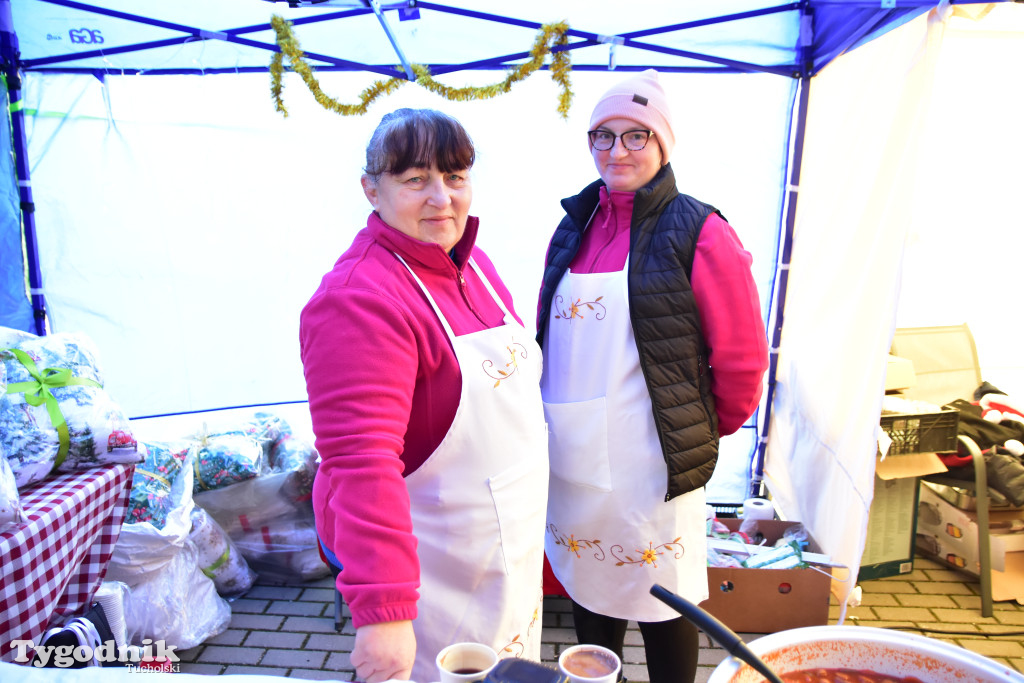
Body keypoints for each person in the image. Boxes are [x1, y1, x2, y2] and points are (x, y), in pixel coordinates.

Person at [300, 108, 548, 683]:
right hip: (435, 576)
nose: (442, 199)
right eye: (415, 180)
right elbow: (361, 463)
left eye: (456, 177)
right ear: (371, 189)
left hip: (503, 553)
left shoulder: (473, 264)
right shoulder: (358, 299)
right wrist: (384, 612)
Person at [536, 70, 769, 683]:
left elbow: (743, 361)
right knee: (592, 604)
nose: (617, 152)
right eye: (602, 137)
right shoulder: (573, 226)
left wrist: (690, 431)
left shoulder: (700, 230)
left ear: (664, 144)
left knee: (666, 605)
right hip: (574, 460)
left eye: (636, 136)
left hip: (655, 465)